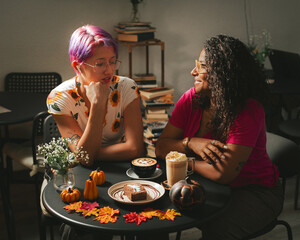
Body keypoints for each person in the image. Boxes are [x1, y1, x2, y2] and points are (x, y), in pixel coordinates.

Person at [155, 35, 284, 240]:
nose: (193, 71)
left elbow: (223, 173)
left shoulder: (247, 111)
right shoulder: (191, 99)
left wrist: (184, 161)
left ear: (224, 74)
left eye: (202, 66)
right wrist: (191, 143)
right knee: (156, 211)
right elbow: (161, 147)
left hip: (253, 193)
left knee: (217, 227)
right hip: (208, 184)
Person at [42, 24, 145, 240]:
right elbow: (83, 162)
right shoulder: (60, 98)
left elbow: (135, 148)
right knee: (84, 227)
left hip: (117, 168)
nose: (109, 70)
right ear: (78, 67)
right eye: (100, 64)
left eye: (112, 61)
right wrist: (98, 103)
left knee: (149, 220)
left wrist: (88, 153)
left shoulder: (127, 88)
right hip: (75, 173)